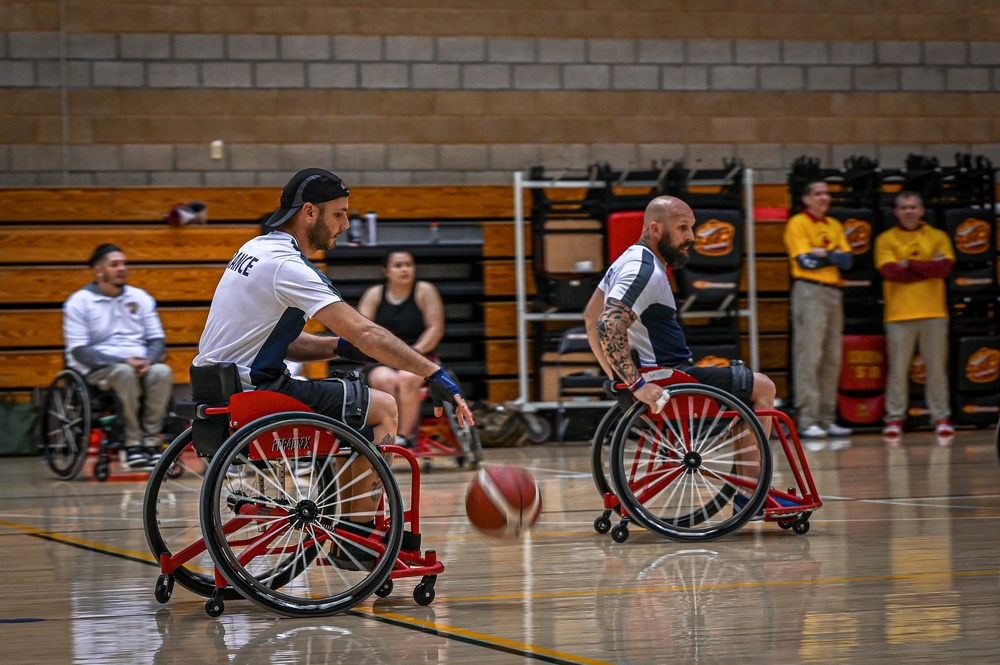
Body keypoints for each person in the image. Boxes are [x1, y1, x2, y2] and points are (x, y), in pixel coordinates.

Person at [193, 168, 473, 567]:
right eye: (339, 214)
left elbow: (276, 341)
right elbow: (368, 332)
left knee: (354, 404)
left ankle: (345, 523)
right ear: (309, 213)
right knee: (381, 407)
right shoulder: (290, 267)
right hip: (258, 395)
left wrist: (338, 347)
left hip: (220, 388)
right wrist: (434, 373)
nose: (345, 224)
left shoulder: (255, 250)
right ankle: (357, 546)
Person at [583, 195, 777, 431]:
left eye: (691, 228)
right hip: (670, 377)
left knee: (742, 386)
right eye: (682, 228)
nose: (691, 237)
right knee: (763, 387)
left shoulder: (627, 260)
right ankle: (753, 470)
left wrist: (619, 378)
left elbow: (591, 317)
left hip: (661, 375)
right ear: (655, 229)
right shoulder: (644, 272)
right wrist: (635, 384)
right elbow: (608, 325)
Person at [63, 244, 173, 468]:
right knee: (124, 373)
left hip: (141, 365)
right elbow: (79, 351)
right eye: (114, 265)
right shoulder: (79, 302)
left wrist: (148, 360)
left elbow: (157, 340)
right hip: (100, 370)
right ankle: (132, 443)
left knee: (162, 371)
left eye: (124, 264)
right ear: (98, 270)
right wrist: (124, 362)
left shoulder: (139, 297)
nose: (122, 268)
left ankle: (152, 442)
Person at [874, 191, 955, 442]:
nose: (909, 211)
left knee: (937, 369)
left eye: (913, 207)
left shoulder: (938, 236)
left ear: (922, 210)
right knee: (898, 370)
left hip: (935, 313)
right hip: (899, 315)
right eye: (904, 207)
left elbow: (945, 268)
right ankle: (895, 419)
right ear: (896, 212)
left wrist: (908, 263)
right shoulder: (885, 239)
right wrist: (927, 266)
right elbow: (891, 272)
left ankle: (941, 417)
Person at [783, 179, 854, 439]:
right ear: (806, 199)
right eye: (818, 193)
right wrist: (829, 254)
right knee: (809, 355)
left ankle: (827, 418)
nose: (825, 197)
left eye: (827, 193)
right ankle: (808, 419)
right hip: (809, 291)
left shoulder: (834, 225)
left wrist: (823, 253)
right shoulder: (797, 224)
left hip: (834, 292)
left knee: (832, 357)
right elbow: (805, 261)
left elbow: (847, 260)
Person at [357, 250, 445, 448]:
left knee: (407, 379)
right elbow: (361, 329)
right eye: (398, 265)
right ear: (386, 271)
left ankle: (404, 437)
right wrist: (385, 354)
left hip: (418, 354)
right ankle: (388, 434)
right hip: (382, 357)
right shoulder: (374, 294)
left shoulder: (425, 290)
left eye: (409, 265)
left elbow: (435, 329)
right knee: (384, 379)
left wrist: (414, 352)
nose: (405, 269)